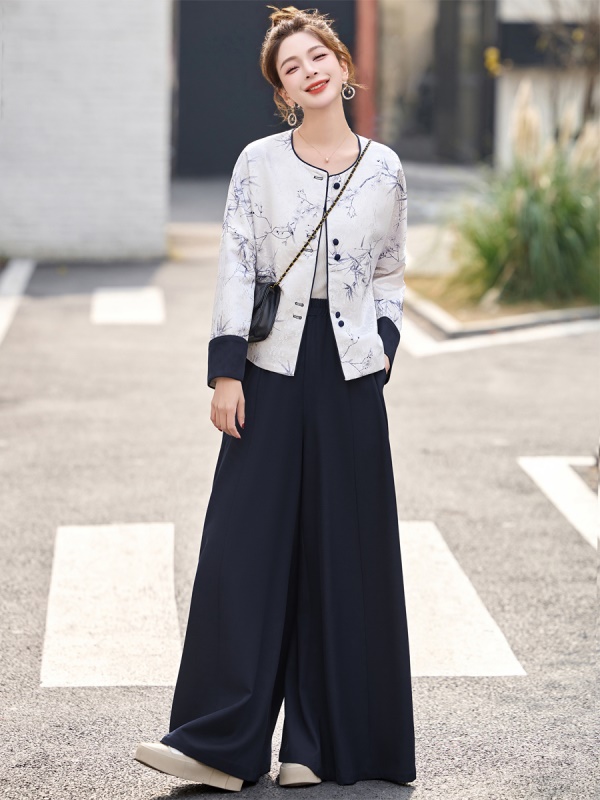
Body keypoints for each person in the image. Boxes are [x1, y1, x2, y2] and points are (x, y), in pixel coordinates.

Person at [135, 4, 416, 792]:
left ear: (342, 66)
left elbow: (392, 270)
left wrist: (383, 346)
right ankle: (217, 744)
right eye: (292, 67)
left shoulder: (386, 168)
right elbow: (236, 262)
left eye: (317, 56)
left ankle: (319, 747)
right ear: (283, 92)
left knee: (345, 556)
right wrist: (227, 369)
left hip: (351, 376)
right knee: (242, 550)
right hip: (269, 366)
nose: (308, 71)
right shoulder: (256, 164)